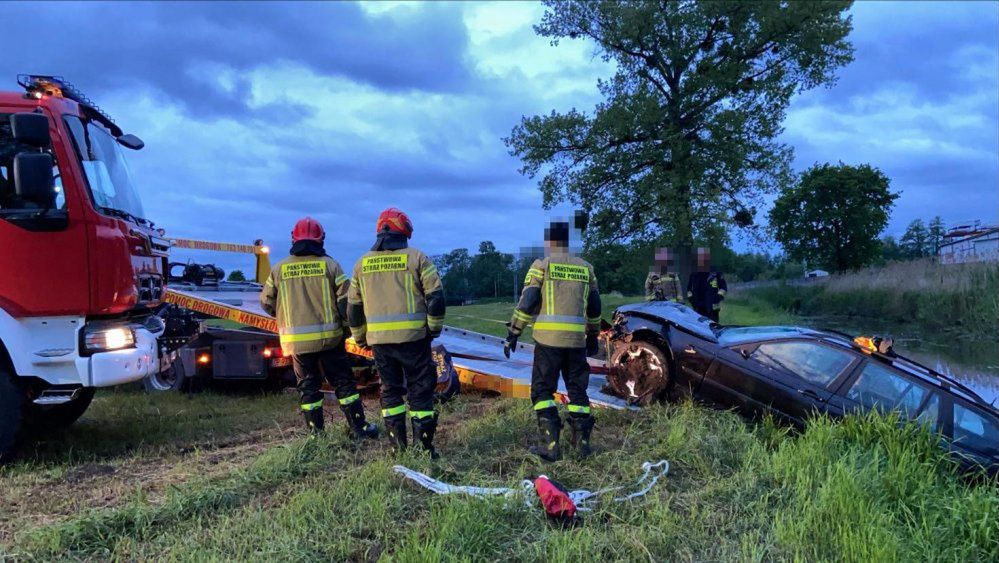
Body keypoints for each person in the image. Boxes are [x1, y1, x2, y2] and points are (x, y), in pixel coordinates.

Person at [260, 217, 378, 439]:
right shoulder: (330, 266)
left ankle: (316, 435)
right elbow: (346, 303)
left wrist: (287, 315)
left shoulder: (279, 269)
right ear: (321, 239)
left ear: (293, 238)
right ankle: (359, 428)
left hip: (297, 343)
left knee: (308, 388)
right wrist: (348, 329)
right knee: (344, 384)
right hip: (330, 340)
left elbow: (266, 302)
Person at [347, 207, 446, 458]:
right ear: (404, 230)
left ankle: (397, 450)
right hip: (414, 340)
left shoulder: (361, 264)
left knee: (390, 392)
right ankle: (424, 449)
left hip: (380, 344)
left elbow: (353, 309)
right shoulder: (417, 258)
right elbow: (436, 298)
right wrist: (433, 329)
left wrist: (360, 338)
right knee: (420, 392)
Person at [504, 221, 601, 461]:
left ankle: (550, 446)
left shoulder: (542, 266)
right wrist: (593, 334)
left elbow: (528, 301)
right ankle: (581, 447)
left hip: (548, 341)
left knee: (542, 391)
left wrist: (514, 332)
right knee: (578, 391)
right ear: (568, 243)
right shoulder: (586, 268)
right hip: (576, 342)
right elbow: (595, 306)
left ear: (549, 242)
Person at [686, 249, 727, 322]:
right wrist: (692, 300)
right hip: (698, 308)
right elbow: (689, 290)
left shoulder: (715, 273)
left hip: (713, 308)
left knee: (713, 328)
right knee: (699, 329)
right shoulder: (694, 274)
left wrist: (718, 297)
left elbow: (723, 288)